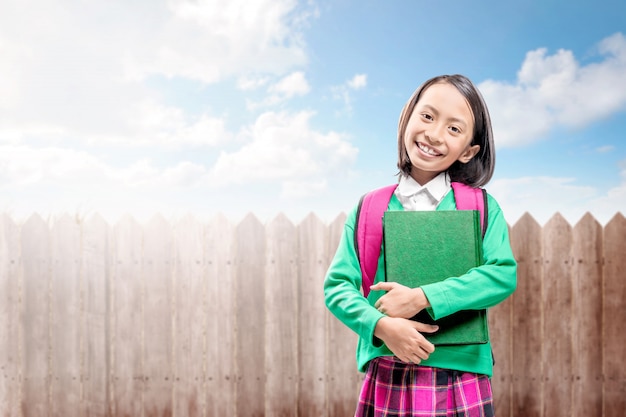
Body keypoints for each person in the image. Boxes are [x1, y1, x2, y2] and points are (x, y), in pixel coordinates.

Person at [324, 74, 517, 417]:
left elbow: (501, 275)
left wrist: (422, 297)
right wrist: (382, 327)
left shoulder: (483, 208)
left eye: (454, 129)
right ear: (407, 117)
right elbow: (337, 287)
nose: (434, 134)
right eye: (427, 116)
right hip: (388, 369)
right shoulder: (370, 208)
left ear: (469, 151)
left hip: (463, 373)